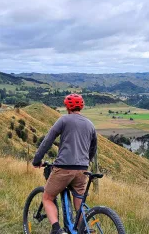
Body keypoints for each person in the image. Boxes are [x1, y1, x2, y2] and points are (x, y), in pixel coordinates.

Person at [32, 93, 97, 234]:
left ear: (67, 106)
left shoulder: (63, 120)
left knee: (47, 197)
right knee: (78, 201)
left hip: (64, 167)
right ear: (81, 107)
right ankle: (83, 230)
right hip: (83, 169)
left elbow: (47, 141)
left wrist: (37, 160)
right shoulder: (90, 124)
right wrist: (85, 161)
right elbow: (93, 149)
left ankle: (57, 230)